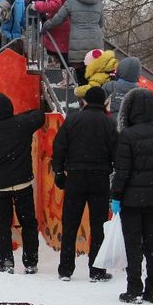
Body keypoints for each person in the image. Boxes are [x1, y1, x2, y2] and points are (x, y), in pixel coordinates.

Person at [0, 93, 45, 274]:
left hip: (0, 187)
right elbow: (39, 114)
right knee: (28, 223)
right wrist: (18, 117)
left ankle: (6, 263)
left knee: (3, 226)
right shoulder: (23, 124)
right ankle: (30, 262)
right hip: (23, 184)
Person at [52, 86, 117, 282]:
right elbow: (116, 151)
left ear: (85, 101)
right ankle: (96, 270)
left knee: (70, 223)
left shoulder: (72, 119)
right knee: (98, 225)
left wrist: (58, 171)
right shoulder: (109, 123)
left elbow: (59, 145)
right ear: (104, 102)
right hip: (100, 178)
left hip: (75, 177)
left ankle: (65, 269)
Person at [111, 87, 153, 304]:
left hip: (131, 199)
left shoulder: (128, 135)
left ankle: (134, 288)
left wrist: (116, 195)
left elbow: (122, 170)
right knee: (152, 243)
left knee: (133, 244)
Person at [43, 0, 104, 86]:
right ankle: (94, 96)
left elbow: (59, 18)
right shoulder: (98, 1)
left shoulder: (71, 0)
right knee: (94, 73)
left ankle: (83, 99)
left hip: (78, 40)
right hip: (96, 40)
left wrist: (47, 25)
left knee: (80, 72)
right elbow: (101, 23)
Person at [30, 0, 74, 66]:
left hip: (60, 26)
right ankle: (62, 68)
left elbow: (54, 5)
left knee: (54, 45)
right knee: (66, 51)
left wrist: (37, 5)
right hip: (70, 24)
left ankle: (64, 75)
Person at [103, 56, 142, 125]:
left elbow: (97, 105)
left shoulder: (110, 86)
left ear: (120, 69)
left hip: (108, 125)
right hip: (129, 130)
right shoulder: (141, 93)